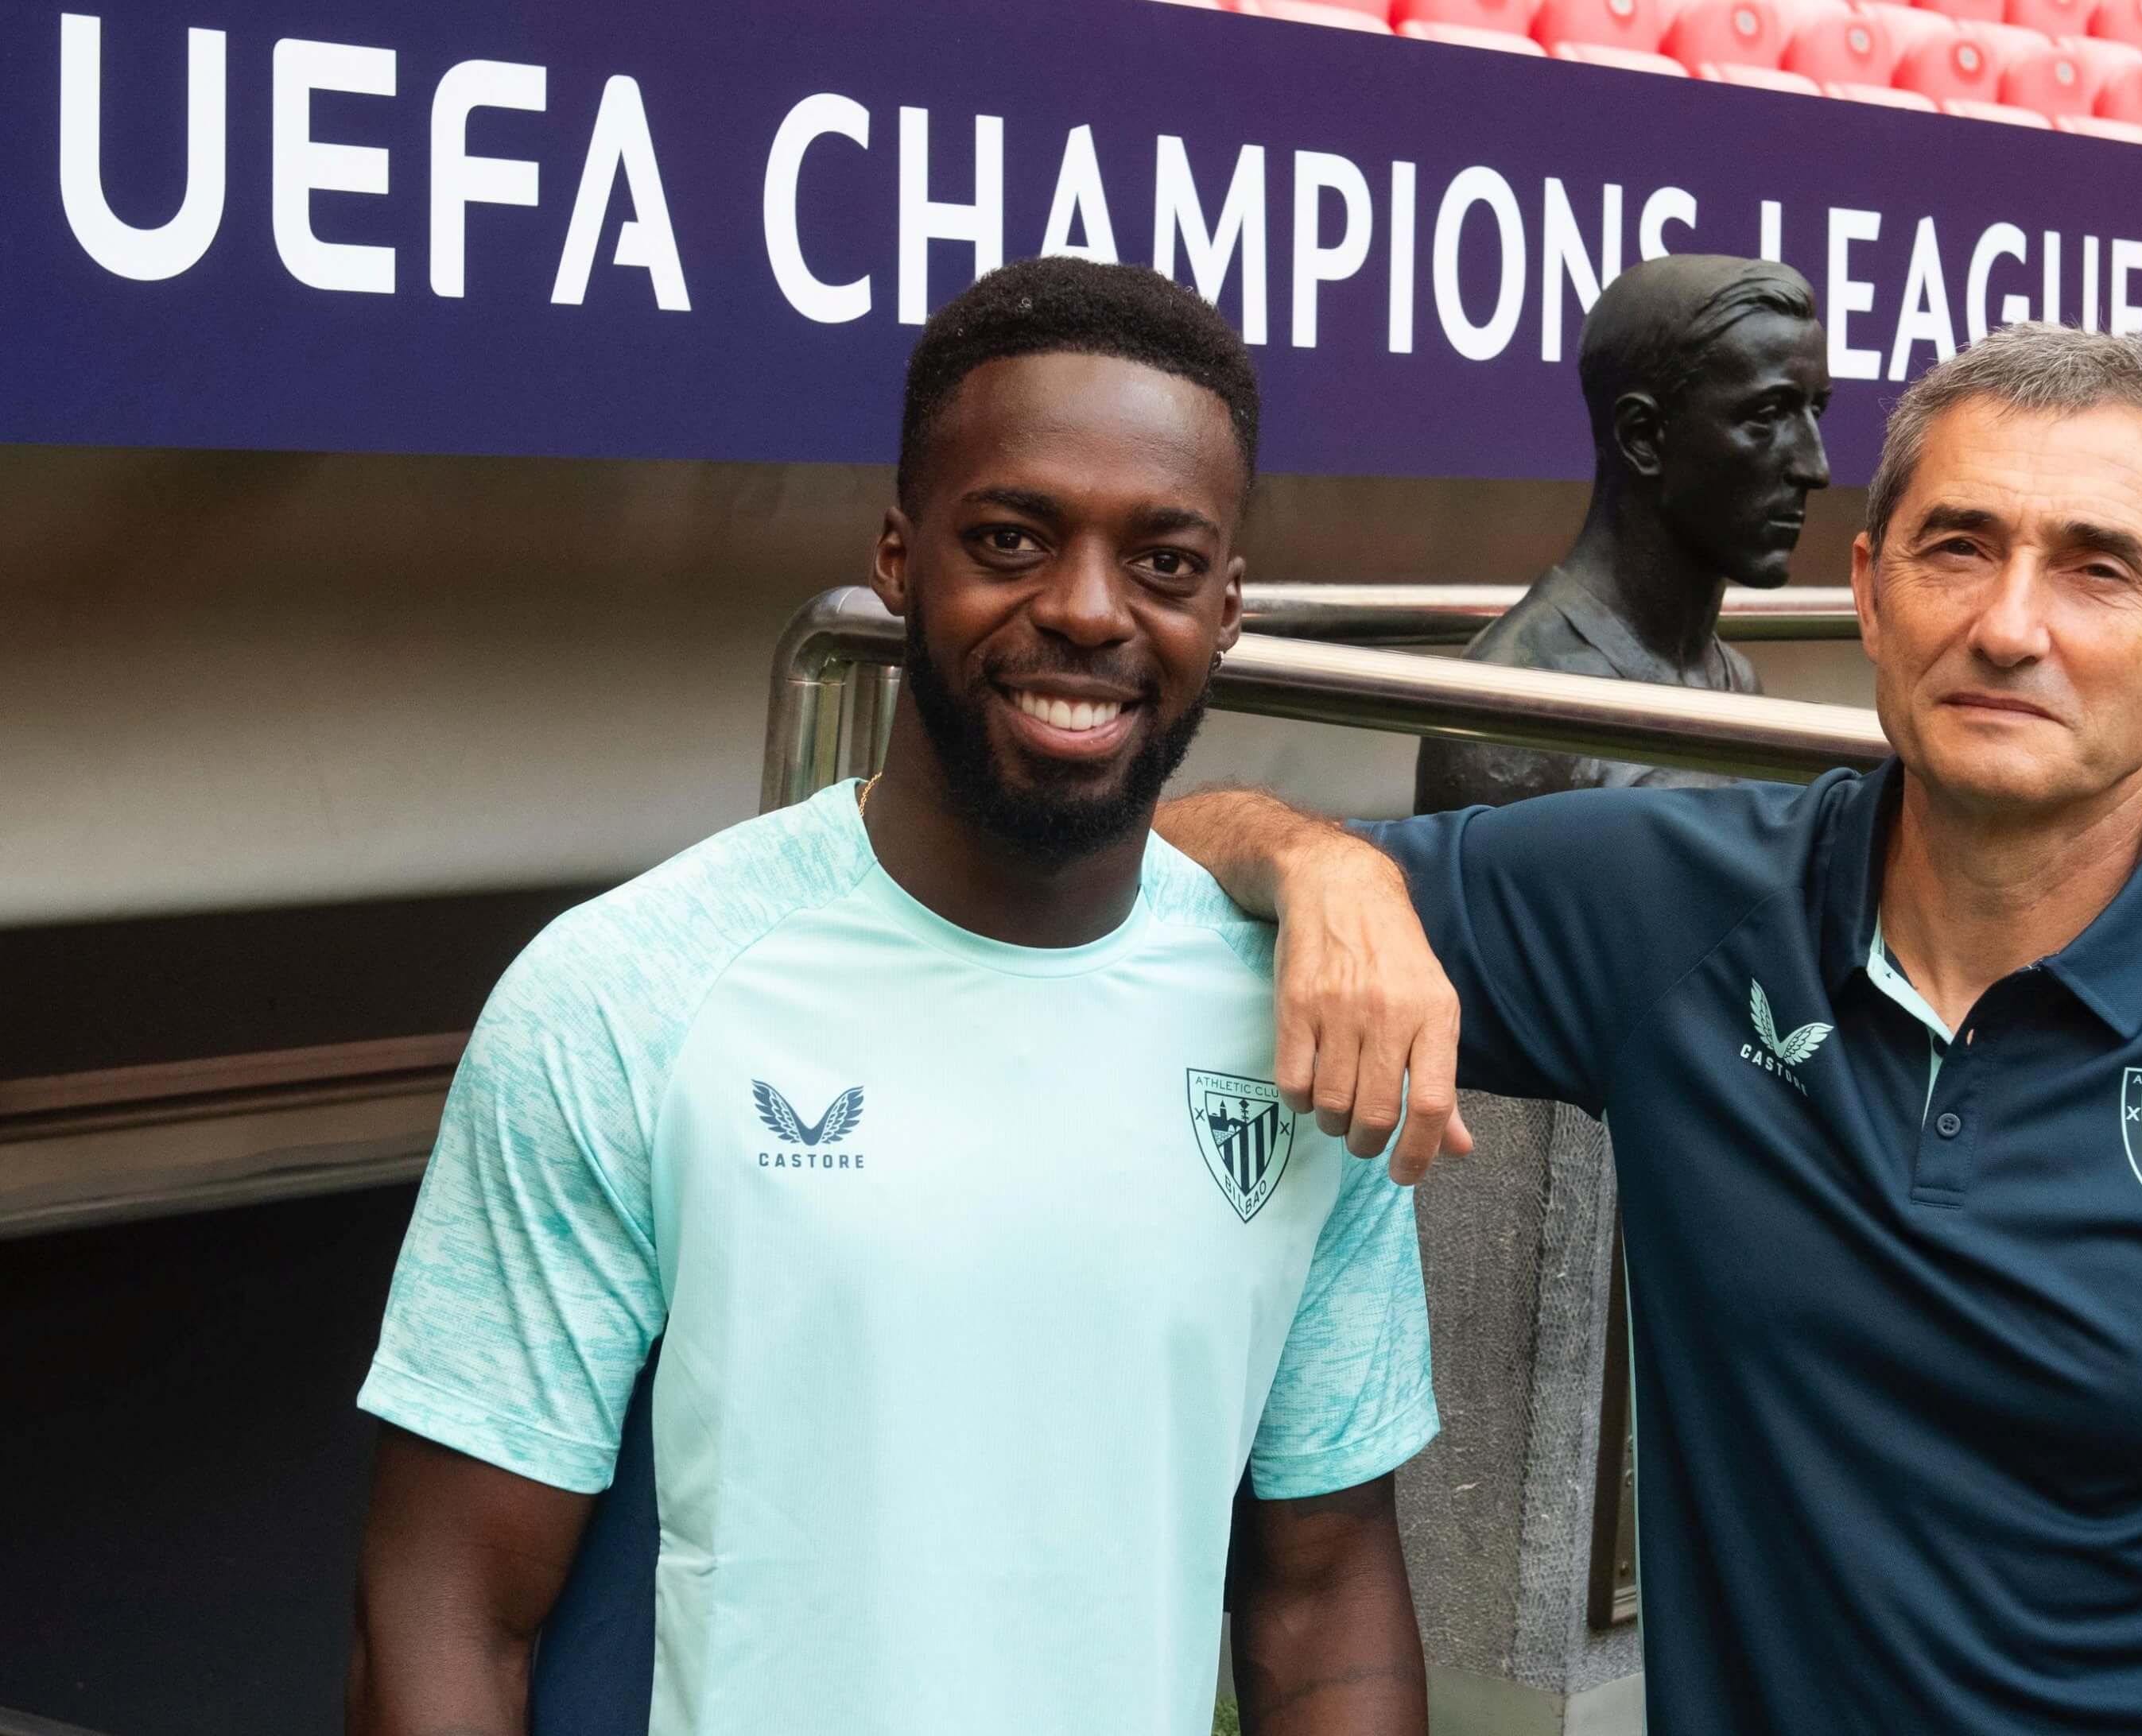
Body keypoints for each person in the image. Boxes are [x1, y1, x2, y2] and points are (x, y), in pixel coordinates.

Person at [1159, 324, 2142, 1734]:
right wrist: (1317, 864)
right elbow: (1156, 845)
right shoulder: (1672, 910)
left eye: (2095, 566)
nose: (2009, 625)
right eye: (1956, 545)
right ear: (1870, 590)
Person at [346, 257, 1438, 1736]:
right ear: (899, 557)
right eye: (1011, 537)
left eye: (1164, 562)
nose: (1087, 611)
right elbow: (449, 1603)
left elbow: (1323, 1594)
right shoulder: (628, 993)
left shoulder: (1305, 1033)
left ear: (1227, 604)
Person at [1413, 254, 1833, 812]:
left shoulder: (1733, 683)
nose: (1814, 467)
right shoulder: (1510, 716)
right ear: (1642, 437)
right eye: (1766, 416)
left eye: (1814, 412)